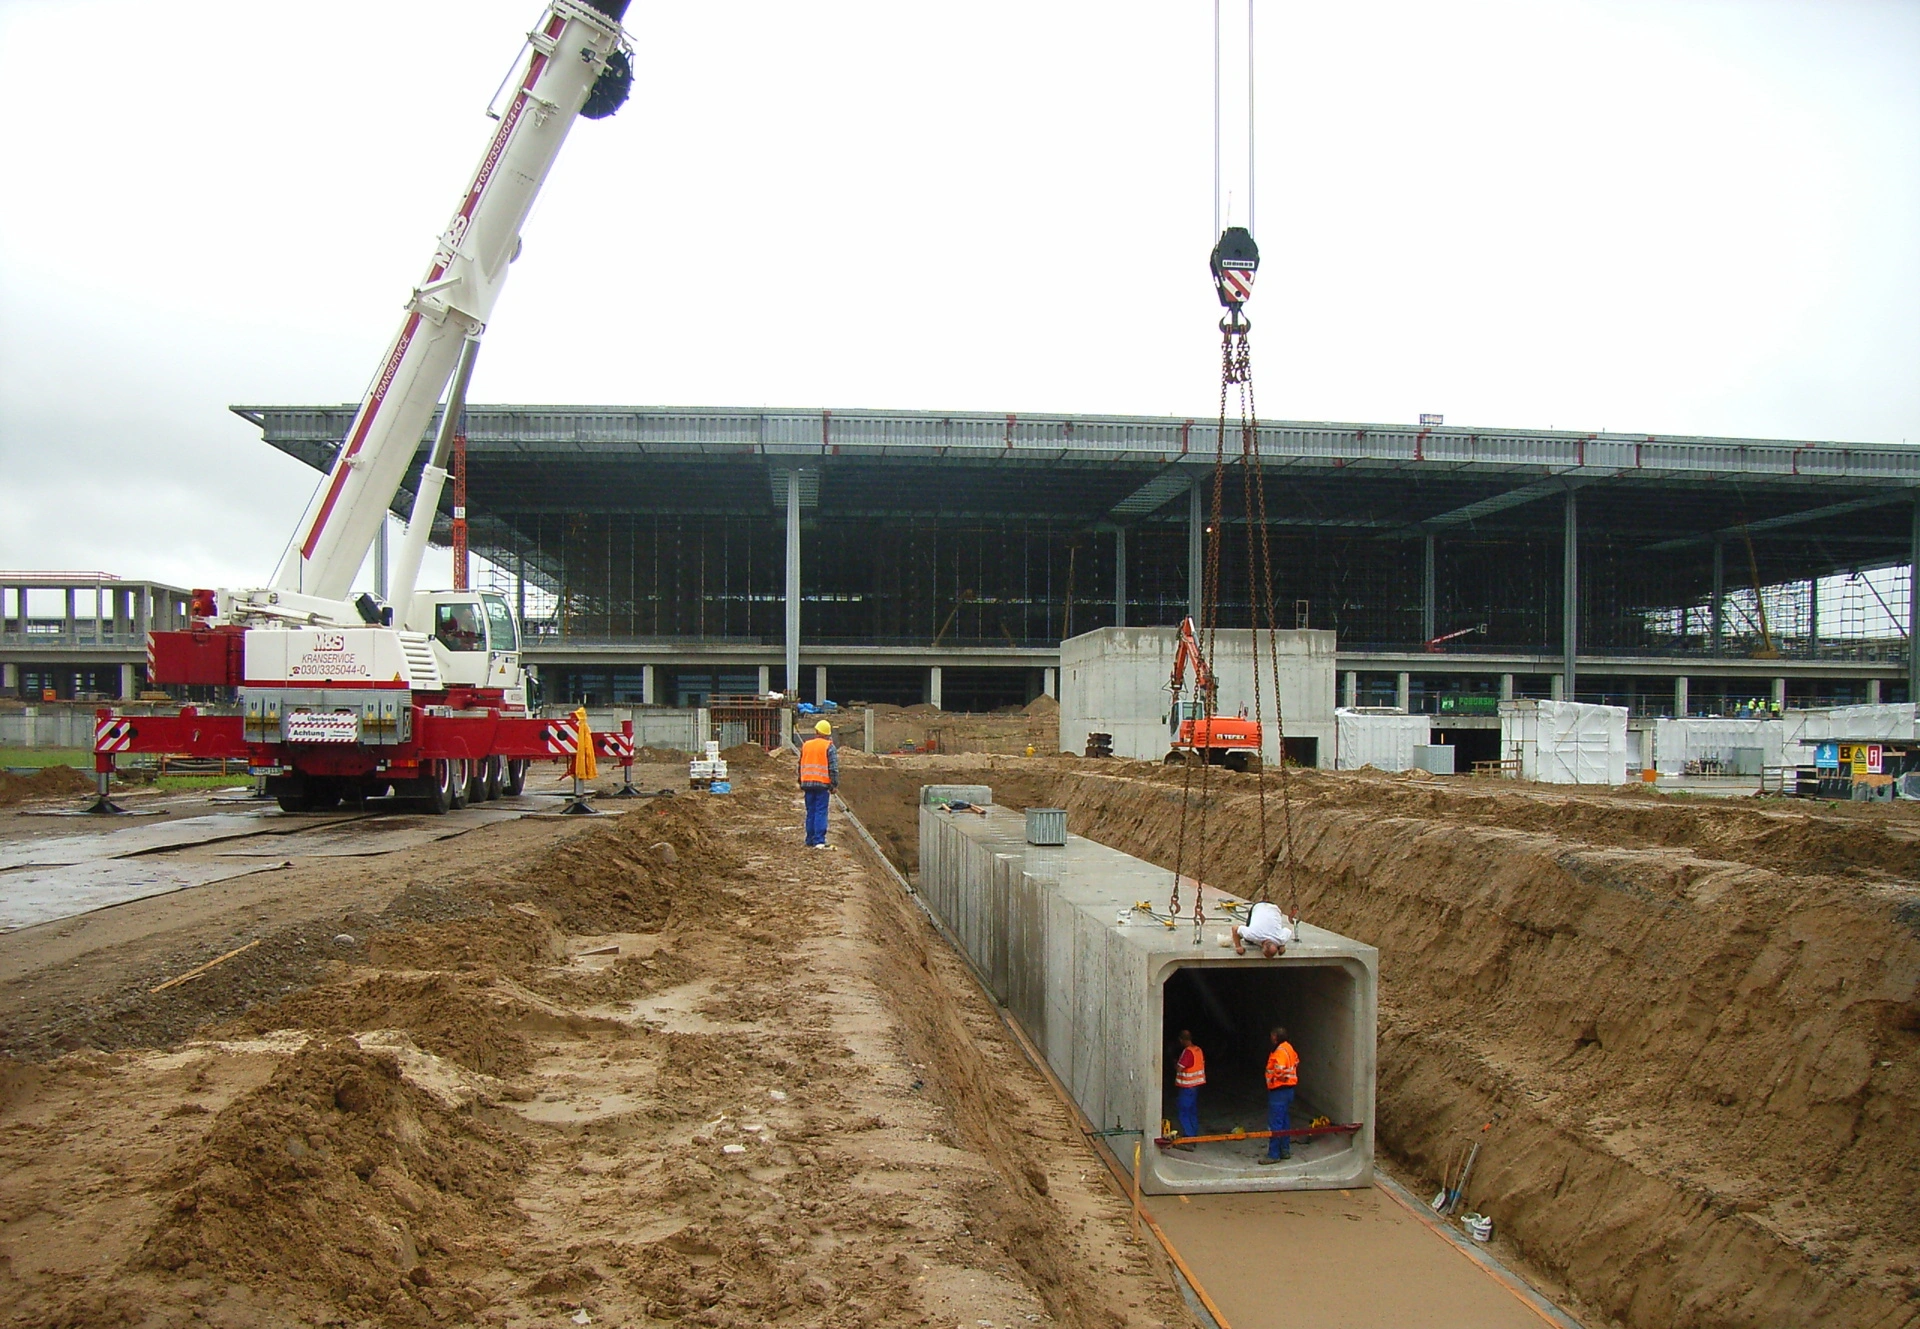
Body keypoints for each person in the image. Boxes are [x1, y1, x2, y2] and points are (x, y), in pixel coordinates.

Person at [1260, 1026, 1300, 1164]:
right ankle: (1285, 1150)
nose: (1271, 1038)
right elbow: (1296, 1061)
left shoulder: (1280, 1052)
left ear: (1276, 1037)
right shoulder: (1289, 1048)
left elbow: (1280, 1069)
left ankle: (1273, 1154)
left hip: (1279, 1090)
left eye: (1272, 1036)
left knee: (1275, 1123)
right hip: (1288, 1090)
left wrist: (1276, 1078)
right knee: (1284, 1121)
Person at [798, 718, 839, 848]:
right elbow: (833, 768)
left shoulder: (806, 745)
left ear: (816, 731)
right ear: (828, 733)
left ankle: (809, 839)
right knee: (820, 811)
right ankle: (819, 840)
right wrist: (834, 785)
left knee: (811, 811)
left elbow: (800, 764)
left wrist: (800, 780)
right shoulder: (829, 747)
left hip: (807, 783)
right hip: (822, 784)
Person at [1172, 1029, 1205, 1146]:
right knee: (1192, 1112)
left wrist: (1175, 1062)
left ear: (1181, 1040)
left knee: (1183, 1112)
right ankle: (1193, 1135)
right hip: (1195, 1087)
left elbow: (1179, 1068)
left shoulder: (1188, 1052)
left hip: (1187, 1087)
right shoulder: (1198, 1050)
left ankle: (1189, 1137)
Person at [1231, 900, 1295, 957]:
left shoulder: (1281, 939)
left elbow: (1288, 930)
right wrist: (1238, 946)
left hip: (1274, 908)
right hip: (1259, 907)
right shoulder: (1252, 935)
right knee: (1248, 940)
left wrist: (1282, 945)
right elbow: (1234, 928)